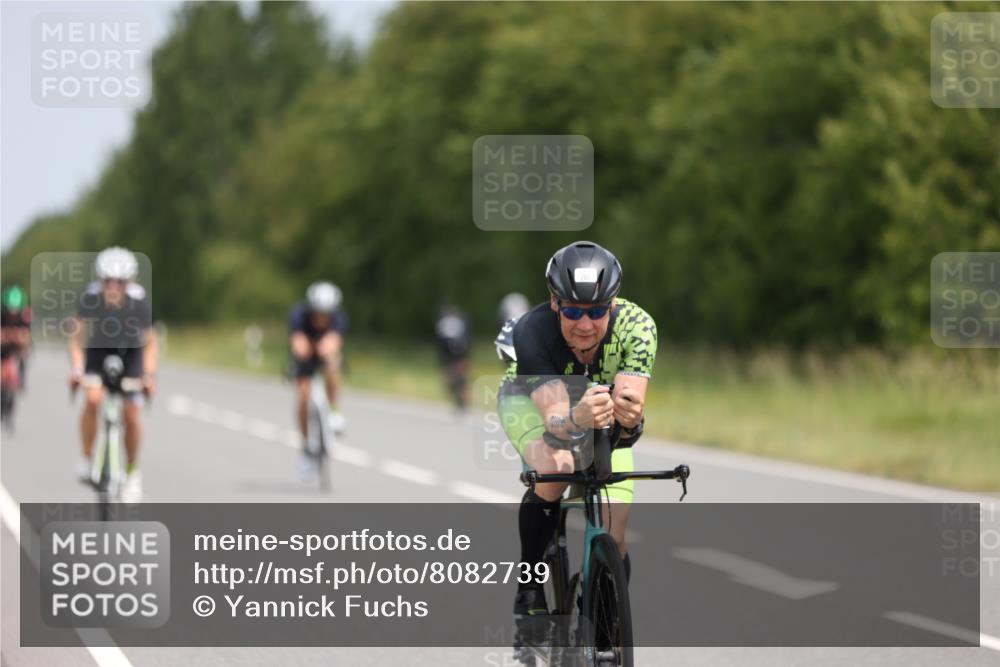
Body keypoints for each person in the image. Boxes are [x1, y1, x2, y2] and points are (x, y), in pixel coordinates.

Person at [495, 241, 657, 617]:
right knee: (557, 470)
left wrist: (629, 420)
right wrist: (576, 419)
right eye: (572, 311)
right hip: (528, 403)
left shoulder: (639, 327)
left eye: (597, 311)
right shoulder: (532, 330)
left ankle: (603, 610)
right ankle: (530, 584)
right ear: (555, 302)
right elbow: (555, 420)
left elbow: (630, 409)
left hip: (597, 413)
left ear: (613, 304)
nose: (585, 325)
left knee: (615, 531)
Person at [69, 247, 157, 503]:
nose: (113, 287)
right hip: (98, 353)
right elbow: (76, 337)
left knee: (131, 415)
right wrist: (77, 369)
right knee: (93, 399)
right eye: (108, 281)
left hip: (131, 355)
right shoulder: (90, 297)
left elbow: (150, 343)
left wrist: (149, 376)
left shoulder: (140, 301)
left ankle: (131, 472)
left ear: (129, 282)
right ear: (100, 280)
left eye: (120, 282)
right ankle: (86, 457)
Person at [289, 281, 348, 475]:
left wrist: (328, 347)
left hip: (325, 354)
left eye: (326, 313)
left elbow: (335, 341)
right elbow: (297, 341)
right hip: (305, 356)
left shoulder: (339, 318)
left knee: (333, 363)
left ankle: (333, 410)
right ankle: (306, 448)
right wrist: (302, 346)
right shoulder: (299, 315)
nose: (322, 317)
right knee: (303, 396)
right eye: (318, 312)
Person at [435, 303, 472, 411]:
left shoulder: (443, 322)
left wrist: (441, 359)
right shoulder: (461, 320)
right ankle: (461, 397)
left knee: (454, 377)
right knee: (460, 377)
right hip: (460, 351)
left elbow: (440, 342)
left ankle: (461, 397)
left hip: (451, 353)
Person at [1, 285, 31, 385]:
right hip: (4, 347)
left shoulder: (25, 316)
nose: (12, 314)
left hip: (17, 347)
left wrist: (13, 336)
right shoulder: (2, 315)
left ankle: (21, 371)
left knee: (23, 352)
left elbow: (25, 336)